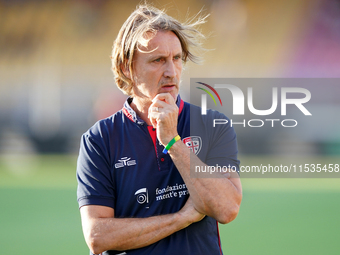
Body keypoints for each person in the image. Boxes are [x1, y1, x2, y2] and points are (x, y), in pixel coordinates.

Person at [77, 4, 242, 255]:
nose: (171, 72)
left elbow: (227, 208)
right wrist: (181, 218)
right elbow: (97, 236)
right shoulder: (99, 140)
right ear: (127, 68)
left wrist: (172, 141)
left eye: (176, 59)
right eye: (158, 60)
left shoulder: (212, 124)